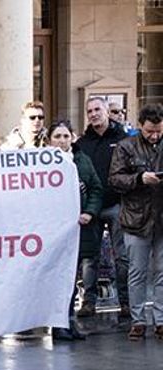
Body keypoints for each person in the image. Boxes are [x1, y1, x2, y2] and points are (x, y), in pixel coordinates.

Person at [108, 103, 163, 341]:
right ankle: (138, 319)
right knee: (137, 271)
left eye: (159, 130)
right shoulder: (126, 146)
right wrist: (140, 178)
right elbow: (115, 179)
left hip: (161, 216)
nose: (155, 135)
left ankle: (160, 320)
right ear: (140, 126)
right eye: (150, 130)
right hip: (136, 217)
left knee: (162, 273)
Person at [47, 120, 103, 341]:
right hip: (51, 231)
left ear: (72, 138)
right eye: (57, 137)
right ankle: (55, 323)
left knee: (70, 277)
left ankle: (67, 322)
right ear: (49, 140)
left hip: (77, 229)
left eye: (65, 136)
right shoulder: (40, 162)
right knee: (55, 279)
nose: (62, 141)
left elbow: (96, 188)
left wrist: (89, 211)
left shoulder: (82, 160)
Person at [76, 96, 130, 318]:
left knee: (122, 257)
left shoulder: (124, 139)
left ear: (107, 111)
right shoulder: (81, 143)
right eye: (89, 111)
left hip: (117, 204)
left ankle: (125, 301)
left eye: (97, 109)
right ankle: (88, 302)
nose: (93, 114)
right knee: (90, 257)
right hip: (91, 208)